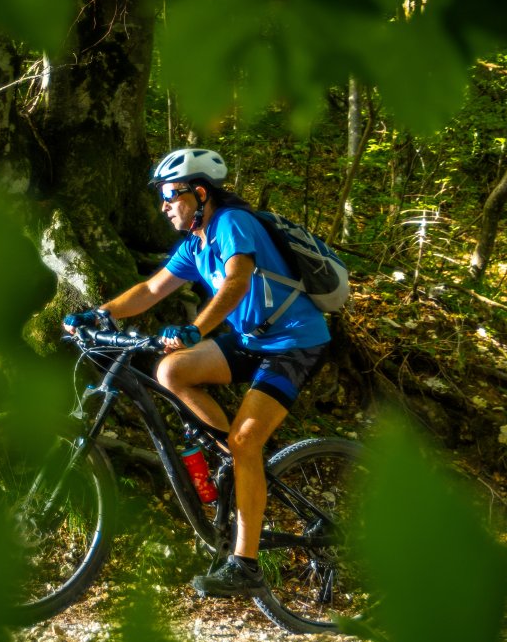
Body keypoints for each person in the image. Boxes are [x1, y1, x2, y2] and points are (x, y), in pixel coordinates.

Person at [63, 148, 331, 598]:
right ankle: (233, 456)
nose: (164, 206)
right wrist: (99, 314)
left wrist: (196, 329)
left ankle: (246, 565)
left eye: (171, 195)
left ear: (200, 193)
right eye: (162, 198)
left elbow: (237, 281)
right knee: (171, 371)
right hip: (252, 340)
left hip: (295, 342)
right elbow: (151, 289)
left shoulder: (232, 223)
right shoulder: (194, 244)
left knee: (246, 440)